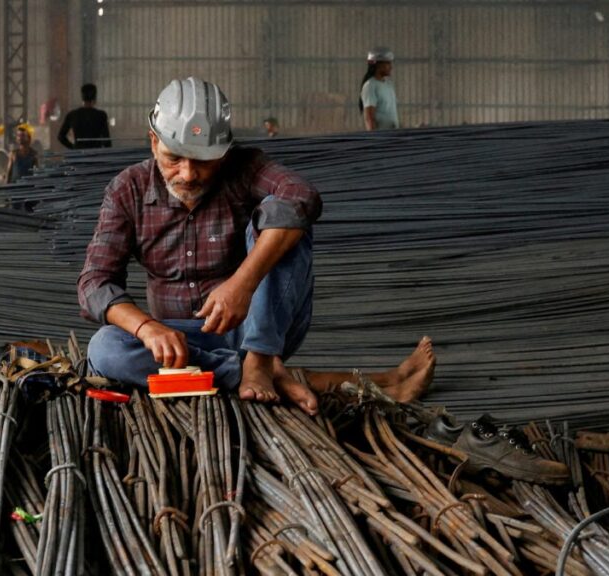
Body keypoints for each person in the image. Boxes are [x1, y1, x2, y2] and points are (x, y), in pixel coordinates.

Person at [78, 77, 434, 416]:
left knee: (283, 214)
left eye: (203, 161)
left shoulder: (244, 168)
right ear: (153, 141)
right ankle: (264, 373)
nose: (188, 174)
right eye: (174, 158)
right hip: (174, 344)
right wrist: (146, 328)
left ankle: (261, 358)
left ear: (224, 151)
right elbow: (94, 283)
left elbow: (303, 197)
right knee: (105, 349)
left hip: (255, 327)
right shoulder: (128, 189)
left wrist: (242, 283)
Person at [58, 83, 112, 149]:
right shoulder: (101, 115)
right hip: (96, 155)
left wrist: (73, 147)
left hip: (79, 155)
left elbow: (61, 136)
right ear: (95, 98)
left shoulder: (72, 115)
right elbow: (106, 141)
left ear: (82, 97)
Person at [360, 47, 399, 131]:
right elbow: (369, 118)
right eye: (387, 63)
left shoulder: (389, 85)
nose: (391, 67)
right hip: (382, 138)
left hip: (393, 136)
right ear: (377, 65)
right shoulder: (370, 86)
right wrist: (375, 139)